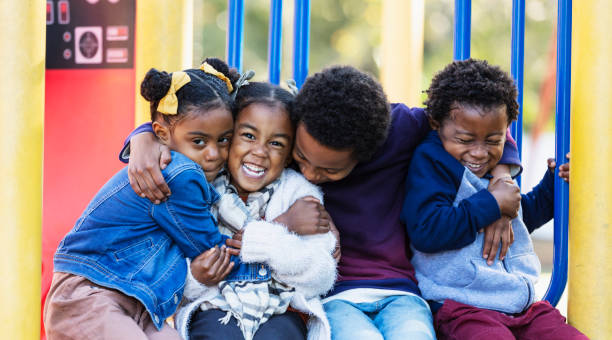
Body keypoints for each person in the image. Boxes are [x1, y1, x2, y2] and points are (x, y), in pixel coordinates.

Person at [122, 64, 522, 340]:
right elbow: (205, 111)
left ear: (364, 154)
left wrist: (501, 184)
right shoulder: (294, 120)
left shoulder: (399, 130)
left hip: (396, 288)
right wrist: (144, 135)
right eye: (302, 158)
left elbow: (473, 129)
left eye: (329, 172)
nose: (311, 175)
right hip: (331, 294)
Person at [43, 58, 239, 340]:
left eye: (224, 140)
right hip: (92, 294)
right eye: (199, 141)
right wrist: (273, 253)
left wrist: (143, 134)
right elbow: (210, 250)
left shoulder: (182, 160)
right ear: (161, 134)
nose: (214, 154)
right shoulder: (180, 175)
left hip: (140, 303)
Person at [400, 58, 586, 340]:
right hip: (463, 306)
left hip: (520, 306)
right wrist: (491, 205)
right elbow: (427, 230)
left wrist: (555, 182)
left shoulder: (496, 174)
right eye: (465, 140)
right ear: (437, 124)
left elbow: (526, 217)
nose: (479, 152)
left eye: (492, 141)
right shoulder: (432, 162)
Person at [175, 81, 337, 340]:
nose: (260, 152)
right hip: (214, 305)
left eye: (276, 143)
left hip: (283, 310)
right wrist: (194, 277)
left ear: (288, 155)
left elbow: (322, 275)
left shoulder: (299, 195)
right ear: (227, 137)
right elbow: (171, 266)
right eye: (248, 136)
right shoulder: (200, 187)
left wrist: (268, 243)